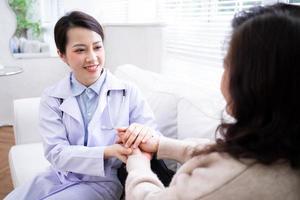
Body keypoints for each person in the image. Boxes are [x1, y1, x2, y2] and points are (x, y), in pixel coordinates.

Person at [118, 3, 300, 200]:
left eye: (228, 65)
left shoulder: (227, 180)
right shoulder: (282, 147)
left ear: (255, 82)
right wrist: (161, 144)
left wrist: (137, 163)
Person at [5, 11, 159, 200]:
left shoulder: (128, 92)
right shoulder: (52, 97)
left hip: (102, 182)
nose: (92, 57)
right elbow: (56, 152)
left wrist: (142, 131)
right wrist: (108, 151)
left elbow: (153, 134)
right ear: (62, 55)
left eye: (97, 47)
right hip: (58, 175)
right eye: (80, 50)